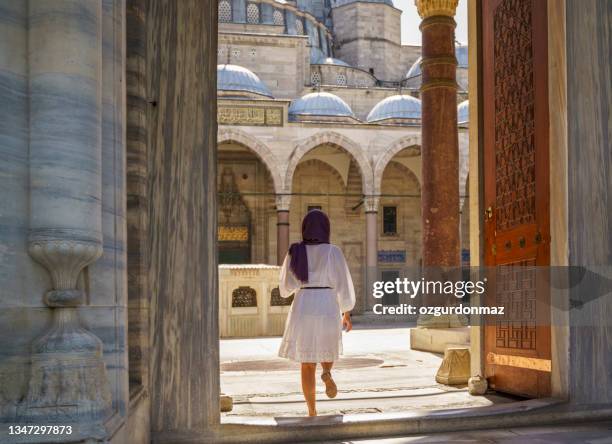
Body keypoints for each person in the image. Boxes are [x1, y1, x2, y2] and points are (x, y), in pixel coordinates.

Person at [278, 209, 356, 416]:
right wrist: (346, 312)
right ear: (326, 228)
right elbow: (343, 284)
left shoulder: (295, 251)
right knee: (327, 347)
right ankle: (327, 373)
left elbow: (285, 288)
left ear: (304, 228)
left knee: (307, 363)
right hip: (327, 303)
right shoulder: (333, 252)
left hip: (304, 305)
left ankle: (312, 410)